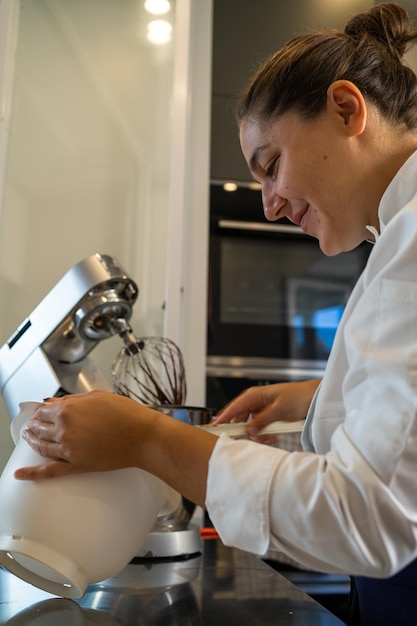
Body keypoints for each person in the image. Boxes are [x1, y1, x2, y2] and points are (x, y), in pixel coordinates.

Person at [12, 3, 417, 624]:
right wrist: (316, 396)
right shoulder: (395, 243)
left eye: (271, 165)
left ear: (346, 108)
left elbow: (369, 516)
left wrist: (150, 439)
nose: (270, 207)